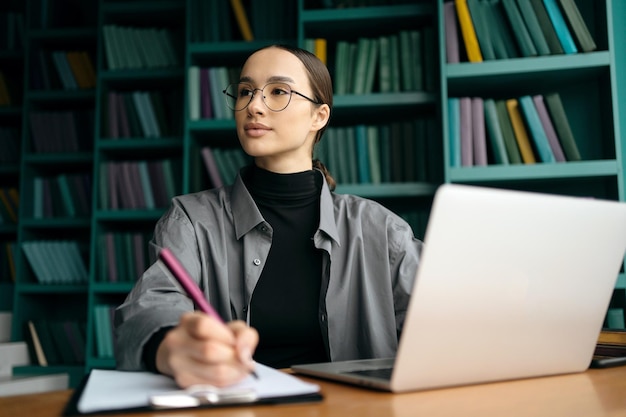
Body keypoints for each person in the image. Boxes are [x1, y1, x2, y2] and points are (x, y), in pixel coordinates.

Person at [114, 44, 423, 388]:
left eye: (278, 91)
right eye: (245, 91)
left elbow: (440, 318)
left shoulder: (380, 228)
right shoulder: (190, 219)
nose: (254, 105)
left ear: (319, 116)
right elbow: (150, 305)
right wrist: (171, 344)